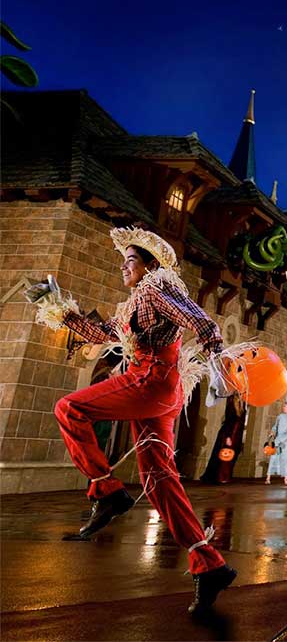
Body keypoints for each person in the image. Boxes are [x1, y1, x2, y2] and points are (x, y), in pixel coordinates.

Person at [29, 226, 237, 615]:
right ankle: (209, 563)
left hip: (150, 383)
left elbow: (201, 321)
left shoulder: (156, 290)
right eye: (122, 262)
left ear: (149, 265)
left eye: (131, 261)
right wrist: (60, 311)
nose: (124, 268)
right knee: (159, 479)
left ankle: (106, 491)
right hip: (157, 392)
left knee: (68, 409)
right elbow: (105, 333)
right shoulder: (133, 304)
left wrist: (218, 362)